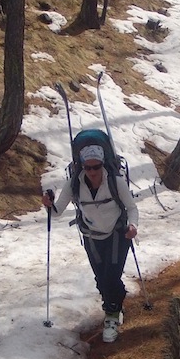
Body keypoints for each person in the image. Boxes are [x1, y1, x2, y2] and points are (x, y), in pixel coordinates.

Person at [42, 144, 139, 343]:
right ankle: (114, 304)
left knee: (110, 276)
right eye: (88, 168)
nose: (93, 172)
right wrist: (49, 205)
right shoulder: (74, 184)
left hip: (117, 234)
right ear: (82, 167)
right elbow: (56, 213)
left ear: (103, 165)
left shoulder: (115, 182)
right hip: (91, 236)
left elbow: (131, 208)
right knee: (101, 278)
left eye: (97, 167)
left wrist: (133, 226)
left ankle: (111, 317)